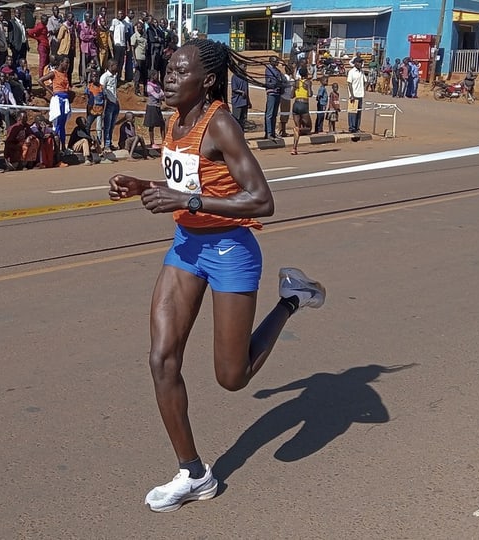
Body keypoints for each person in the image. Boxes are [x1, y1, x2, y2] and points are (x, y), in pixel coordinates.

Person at [107, 38, 326, 514]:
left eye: (178, 71)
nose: (167, 77)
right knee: (162, 359)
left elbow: (262, 200)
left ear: (205, 80)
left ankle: (291, 297)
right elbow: (191, 185)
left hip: (230, 251)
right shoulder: (174, 120)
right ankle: (193, 473)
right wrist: (145, 186)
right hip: (186, 247)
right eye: (166, 69)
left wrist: (187, 202)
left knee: (232, 377)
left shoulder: (220, 123)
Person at [38, 54, 72, 150]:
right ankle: (56, 148)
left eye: (69, 63)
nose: (68, 65)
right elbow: (40, 80)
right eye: (66, 62)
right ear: (61, 63)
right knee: (57, 124)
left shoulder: (65, 74)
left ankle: (63, 147)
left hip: (65, 100)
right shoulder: (54, 73)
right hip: (58, 100)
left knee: (62, 125)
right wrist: (51, 92)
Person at [290, 67, 311, 155]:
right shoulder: (308, 82)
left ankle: (294, 148)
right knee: (309, 128)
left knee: (297, 127)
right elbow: (310, 94)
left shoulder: (296, 82)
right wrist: (308, 87)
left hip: (296, 104)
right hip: (304, 105)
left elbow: (291, 95)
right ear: (306, 74)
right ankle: (299, 129)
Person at [99, 59, 119, 151]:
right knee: (107, 125)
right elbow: (102, 91)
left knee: (112, 125)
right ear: (110, 66)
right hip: (108, 104)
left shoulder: (114, 76)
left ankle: (110, 142)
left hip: (115, 102)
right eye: (115, 65)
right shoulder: (104, 77)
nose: (117, 67)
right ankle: (106, 144)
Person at [143, 69, 165, 148]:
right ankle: (152, 142)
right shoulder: (149, 86)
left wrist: (161, 94)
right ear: (152, 76)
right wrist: (161, 94)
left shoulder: (158, 84)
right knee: (151, 125)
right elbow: (157, 95)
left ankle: (164, 141)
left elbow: (162, 93)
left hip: (157, 106)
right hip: (151, 107)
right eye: (156, 75)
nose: (157, 76)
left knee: (162, 124)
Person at [263, 55, 283, 140]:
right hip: (271, 93)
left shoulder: (278, 71)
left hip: (278, 93)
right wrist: (276, 84)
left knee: (274, 114)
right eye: (275, 61)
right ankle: (269, 133)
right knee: (269, 114)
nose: (277, 62)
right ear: (271, 61)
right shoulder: (269, 70)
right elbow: (269, 82)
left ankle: (273, 132)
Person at [346, 57, 365, 133]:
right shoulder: (351, 72)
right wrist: (352, 95)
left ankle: (357, 127)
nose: (361, 64)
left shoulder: (362, 72)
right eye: (359, 62)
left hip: (360, 95)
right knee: (352, 113)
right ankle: (351, 127)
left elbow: (365, 81)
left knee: (358, 113)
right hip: (354, 95)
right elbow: (349, 83)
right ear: (355, 63)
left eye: (361, 63)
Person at [230, 61, 250, 130]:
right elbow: (234, 89)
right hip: (237, 102)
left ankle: (242, 135)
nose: (245, 68)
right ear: (239, 66)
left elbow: (247, 90)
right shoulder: (235, 76)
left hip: (244, 102)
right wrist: (241, 92)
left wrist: (248, 101)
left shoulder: (245, 76)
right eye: (244, 66)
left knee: (243, 120)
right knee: (236, 120)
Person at [130, 21, 148, 95]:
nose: (139, 28)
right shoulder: (135, 36)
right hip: (138, 57)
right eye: (138, 27)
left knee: (145, 75)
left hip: (144, 57)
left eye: (141, 27)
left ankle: (145, 91)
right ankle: (136, 90)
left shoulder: (144, 36)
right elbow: (132, 48)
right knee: (137, 74)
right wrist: (134, 59)